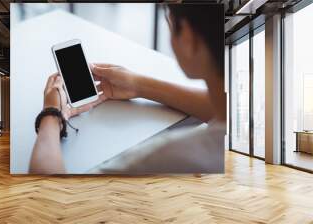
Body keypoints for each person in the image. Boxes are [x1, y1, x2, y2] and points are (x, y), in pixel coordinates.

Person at [30, 4, 225, 174]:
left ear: (189, 39)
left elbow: (48, 187)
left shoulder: (169, 156)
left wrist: (51, 114)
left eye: (170, 24)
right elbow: (222, 108)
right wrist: (138, 85)